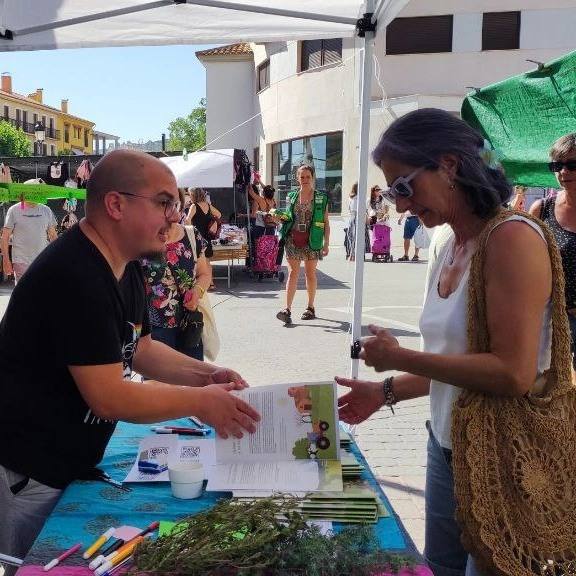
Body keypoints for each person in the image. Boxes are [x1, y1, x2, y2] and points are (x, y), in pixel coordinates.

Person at [0, 150, 260, 568]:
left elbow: (138, 348)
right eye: (163, 202)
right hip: (31, 472)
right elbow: (108, 397)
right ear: (116, 204)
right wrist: (200, 402)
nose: (175, 216)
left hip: (69, 463)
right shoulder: (74, 275)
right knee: (38, 565)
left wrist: (207, 374)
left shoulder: (126, 265)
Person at [336, 109, 554, 576]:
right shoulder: (448, 244)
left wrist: (399, 357)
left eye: (403, 187)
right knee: (440, 568)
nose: (398, 206)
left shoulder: (512, 238)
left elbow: (513, 374)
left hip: (504, 454)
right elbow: (451, 364)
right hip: (447, 443)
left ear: (449, 165)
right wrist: (386, 390)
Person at [141, 188, 211, 361]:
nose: (171, 213)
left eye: (175, 205)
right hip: (153, 328)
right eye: (163, 205)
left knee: (194, 381)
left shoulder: (191, 234)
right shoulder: (141, 239)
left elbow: (204, 273)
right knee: (158, 384)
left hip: (188, 323)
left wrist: (197, 292)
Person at [529, 133, 576, 368]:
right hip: (552, 320)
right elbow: (525, 264)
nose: (563, 172)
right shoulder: (542, 209)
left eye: (572, 165)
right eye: (557, 165)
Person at [275, 165, 330, 324]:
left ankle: (310, 307)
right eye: (302, 177)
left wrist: (326, 244)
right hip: (293, 239)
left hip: (313, 239)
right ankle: (287, 309)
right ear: (297, 178)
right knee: (292, 273)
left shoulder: (321, 197)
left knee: (310, 273)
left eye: (307, 176)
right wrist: (279, 218)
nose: (305, 180)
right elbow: (288, 217)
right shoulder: (291, 196)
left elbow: (326, 222)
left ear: (312, 177)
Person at [1, 198, 58, 283]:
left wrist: (58, 258)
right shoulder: (14, 210)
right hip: (20, 260)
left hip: (42, 260)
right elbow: (5, 237)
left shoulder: (46, 210)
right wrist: (5, 260)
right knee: (23, 292)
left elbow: (53, 236)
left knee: (41, 291)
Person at [186, 187, 221, 259]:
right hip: (207, 238)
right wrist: (213, 221)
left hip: (198, 238)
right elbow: (219, 214)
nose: (189, 197)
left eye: (190, 195)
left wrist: (190, 233)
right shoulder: (207, 205)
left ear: (193, 195)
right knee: (207, 262)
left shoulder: (194, 206)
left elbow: (187, 220)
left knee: (198, 263)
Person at [345, 183, 359, 261]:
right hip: (354, 216)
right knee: (352, 235)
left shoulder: (352, 197)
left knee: (352, 236)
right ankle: (352, 254)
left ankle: (352, 254)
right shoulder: (355, 197)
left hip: (353, 216)